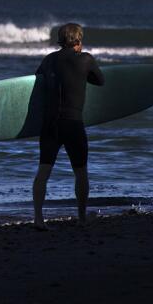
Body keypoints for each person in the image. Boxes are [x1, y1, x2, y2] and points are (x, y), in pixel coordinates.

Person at [32, 22, 104, 229]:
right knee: (80, 172)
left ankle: (38, 219)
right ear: (78, 41)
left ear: (61, 40)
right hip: (73, 123)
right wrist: (83, 73)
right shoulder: (86, 59)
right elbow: (101, 81)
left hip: (50, 124)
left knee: (43, 171)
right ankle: (81, 218)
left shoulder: (48, 60)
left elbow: (37, 84)